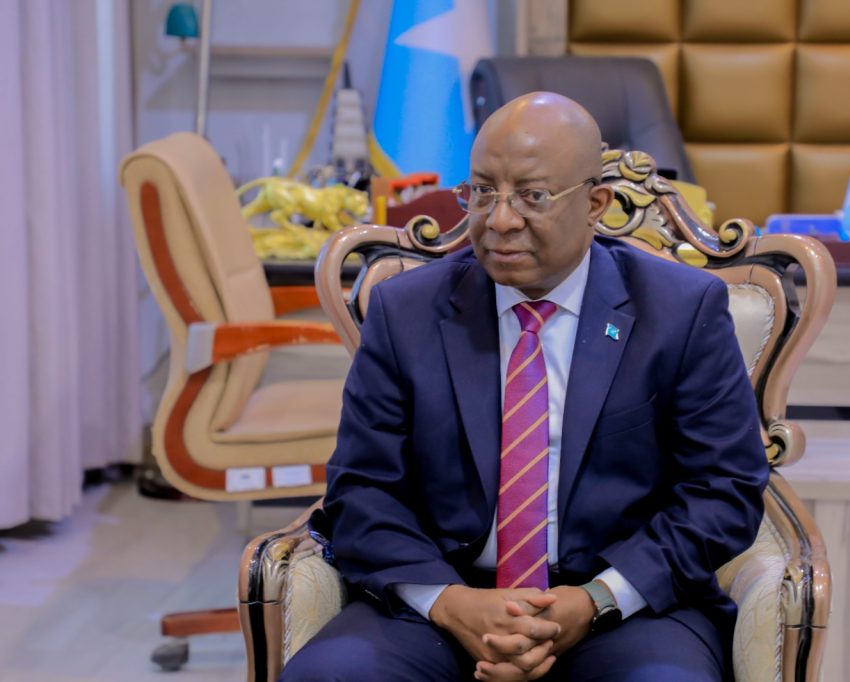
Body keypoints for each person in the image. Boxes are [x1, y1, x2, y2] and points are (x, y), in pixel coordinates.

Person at [280, 92, 768, 681]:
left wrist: (595, 600)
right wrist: (450, 603)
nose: (501, 220)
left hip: (622, 604)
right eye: (483, 192)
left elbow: (723, 491)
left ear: (595, 204)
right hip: (439, 597)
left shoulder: (678, 311)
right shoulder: (405, 311)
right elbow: (361, 490)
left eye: (533, 196)